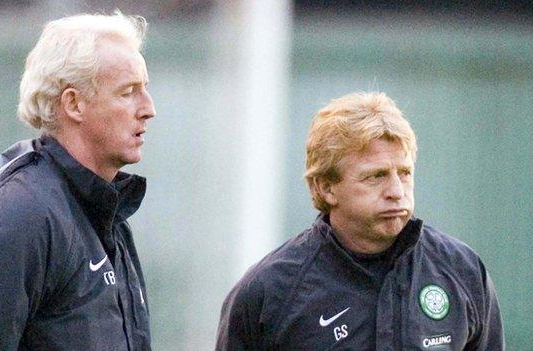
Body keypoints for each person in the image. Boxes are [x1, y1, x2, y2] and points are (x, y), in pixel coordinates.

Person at [0, 11, 156, 350]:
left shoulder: (103, 212)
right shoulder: (21, 215)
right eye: (128, 91)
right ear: (74, 104)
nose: (148, 108)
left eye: (144, 90)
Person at [215, 92, 504, 350]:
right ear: (326, 187)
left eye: (404, 173)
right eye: (375, 176)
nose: (396, 192)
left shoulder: (462, 271)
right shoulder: (269, 292)